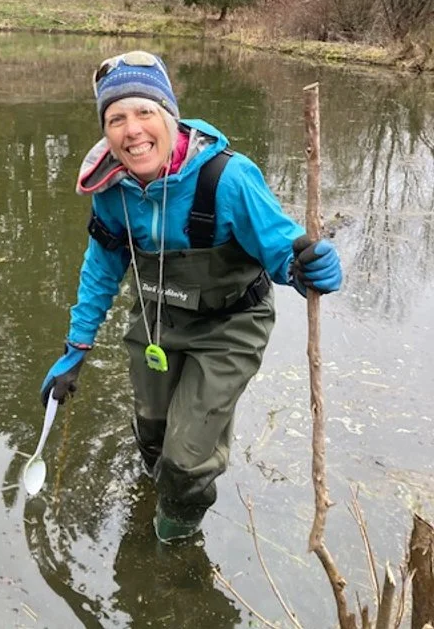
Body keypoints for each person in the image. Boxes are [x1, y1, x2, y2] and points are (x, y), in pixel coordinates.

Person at [41, 50, 342, 544]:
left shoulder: (228, 178)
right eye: (116, 118)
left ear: (169, 116)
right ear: (105, 130)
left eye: (144, 112)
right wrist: (75, 350)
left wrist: (308, 269)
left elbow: (284, 252)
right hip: (158, 317)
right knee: (153, 430)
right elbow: (101, 268)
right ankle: (157, 482)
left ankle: (176, 534)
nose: (132, 130)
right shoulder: (110, 189)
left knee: (186, 456)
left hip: (229, 325)